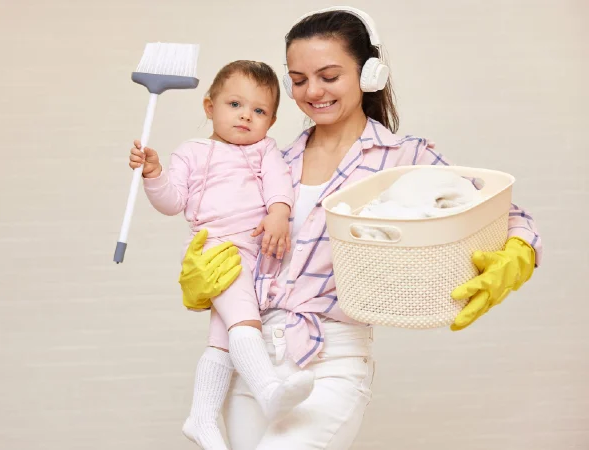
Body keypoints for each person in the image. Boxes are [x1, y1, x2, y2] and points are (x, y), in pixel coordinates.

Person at [174, 7, 543, 450]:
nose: (313, 91)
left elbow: (508, 213)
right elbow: (226, 232)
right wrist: (206, 280)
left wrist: (517, 253)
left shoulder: (401, 158)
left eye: (329, 75)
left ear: (369, 74)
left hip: (330, 360)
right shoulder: (271, 161)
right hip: (249, 358)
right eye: (298, 79)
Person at [128, 60, 319, 450]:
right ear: (209, 106)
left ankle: (201, 418)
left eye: (259, 110)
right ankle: (268, 389)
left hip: (256, 255)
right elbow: (171, 201)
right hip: (218, 252)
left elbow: (280, 185)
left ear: (272, 120)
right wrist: (153, 174)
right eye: (235, 104)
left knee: (221, 341)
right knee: (245, 322)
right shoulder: (192, 152)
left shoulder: (265, 151)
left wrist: (279, 213)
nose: (246, 115)